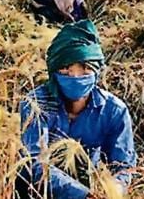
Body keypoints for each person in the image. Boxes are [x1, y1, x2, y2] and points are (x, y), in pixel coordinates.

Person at [17, 20, 136, 199]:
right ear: (54, 70)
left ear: (97, 71)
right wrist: (83, 195)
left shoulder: (114, 111)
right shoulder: (36, 104)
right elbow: (35, 162)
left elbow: (123, 166)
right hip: (38, 190)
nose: (75, 76)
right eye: (66, 69)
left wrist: (114, 191)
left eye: (85, 69)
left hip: (91, 184)